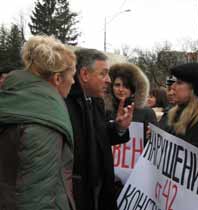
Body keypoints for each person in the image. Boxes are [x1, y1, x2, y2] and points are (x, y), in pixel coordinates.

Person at [0, 35, 76, 210]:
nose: (73, 81)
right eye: (72, 75)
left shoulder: (15, 99)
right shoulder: (44, 121)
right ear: (57, 79)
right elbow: (36, 196)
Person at [65, 49, 134, 210]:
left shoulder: (96, 101)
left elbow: (97, 136)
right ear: (84, 74)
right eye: (103, 74)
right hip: (78, 193)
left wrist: (119, 128)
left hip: (99, 187)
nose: (108, 80)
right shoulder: (65, 102)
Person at [105, 63, 157, 142]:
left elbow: (154, 144)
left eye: (126, 86)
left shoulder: (147, 112)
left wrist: (152, 136)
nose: (121, 89)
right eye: (117, 85)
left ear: (133, 89)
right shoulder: (104, 111)